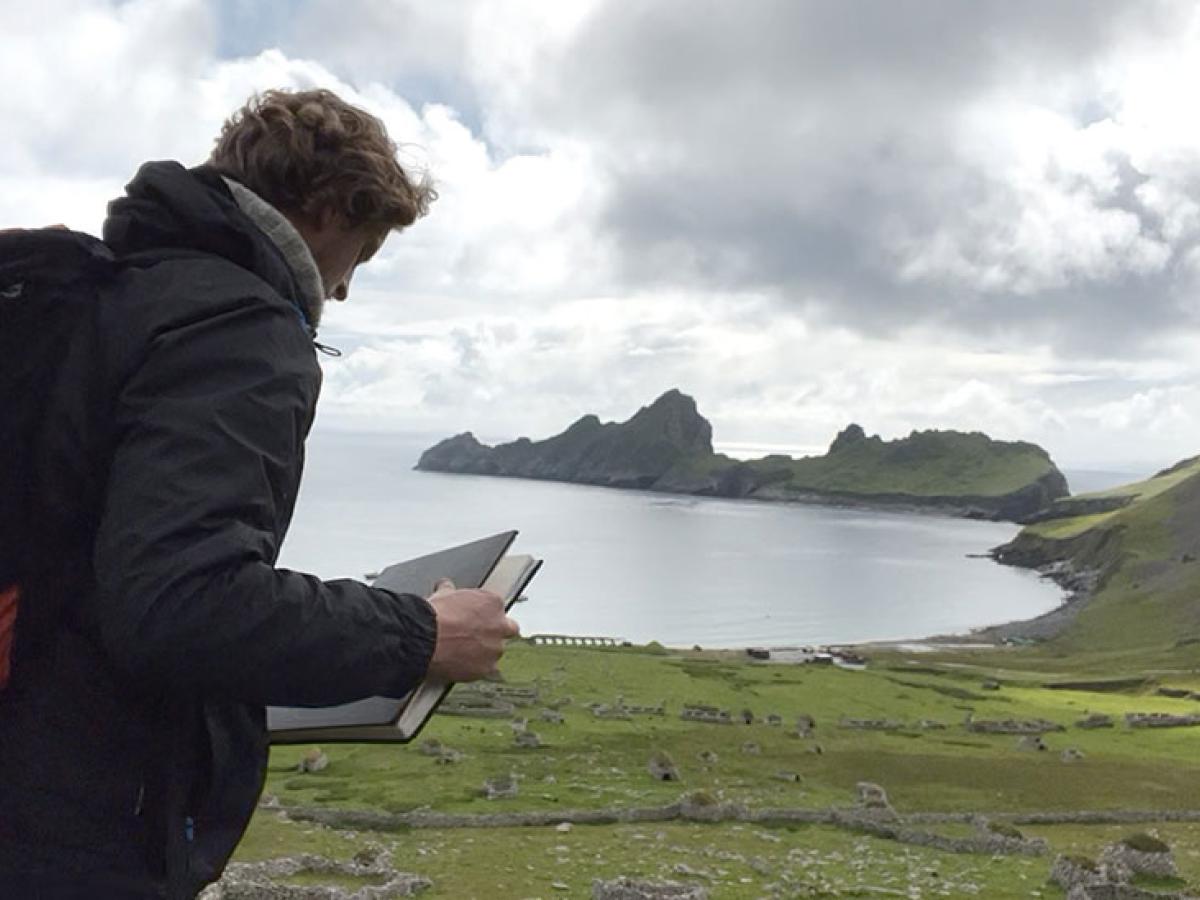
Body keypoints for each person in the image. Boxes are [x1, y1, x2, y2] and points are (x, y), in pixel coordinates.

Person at [0, 88, 519, 899]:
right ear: (326, 208)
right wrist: (417, 634)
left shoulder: (113, 296)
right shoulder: (235, 324)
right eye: (365, 248)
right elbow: (180, 603)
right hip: (72, 829)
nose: (344, 289)